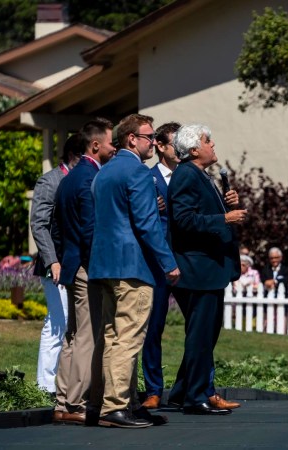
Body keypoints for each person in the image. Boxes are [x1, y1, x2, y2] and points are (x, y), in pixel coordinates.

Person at [88, 113, 180, 428]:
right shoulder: (138, 173)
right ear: (132, 139)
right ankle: (116, 408)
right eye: (149, 136)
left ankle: (106, 405)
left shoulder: (103, 173)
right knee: (127, 337)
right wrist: (169, 263)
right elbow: (147, 223)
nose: (153, 142)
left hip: (102, 265)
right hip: (132, 266)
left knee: (112, 336)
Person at [166, 123, 246, 415]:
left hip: (209, 270)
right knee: (201, 335)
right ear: (193, 149)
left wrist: (226, 208)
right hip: (197, 270)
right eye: (207, 140)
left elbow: (200, 213)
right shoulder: (187, 175)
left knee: (205, 333)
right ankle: (196, 396)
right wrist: (224, 220)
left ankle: (182, 391)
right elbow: (184, 220)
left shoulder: (200, 175)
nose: (212, 144)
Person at [53, 118, 116, 425]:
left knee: (73, 335)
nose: (113, 147)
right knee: (87, 337)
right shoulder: (89, 178)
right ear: (95, 145)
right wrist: (99, 268)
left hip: (71, 263)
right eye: (110, 142)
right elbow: (90, 229)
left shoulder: (69, 177)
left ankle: (63, 400)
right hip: (86, 267)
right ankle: (76, 403)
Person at [31, 134, 84, 396]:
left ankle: (64, 382)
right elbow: (39, 224)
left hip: (74, 263)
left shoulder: (79, 180)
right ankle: (45, 385)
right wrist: (52, 260)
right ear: (76, 155)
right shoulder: (50, 180)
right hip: (54, 265)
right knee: (57, 321)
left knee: (72, 325)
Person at [141, 122, 181, 411]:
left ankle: (190, 387)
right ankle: (153, 389)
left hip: (186, 263)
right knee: (153, 329)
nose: (181, 150)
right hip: (157, 265)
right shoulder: (149, 179)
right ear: (160, 147)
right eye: (175, 144)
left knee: (200, 328)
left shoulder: (192, 177)